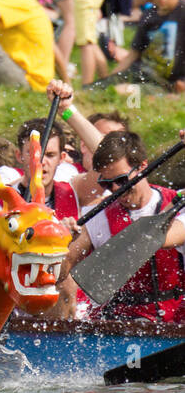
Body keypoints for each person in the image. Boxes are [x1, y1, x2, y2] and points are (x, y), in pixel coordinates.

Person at [59, 131, 185, 322]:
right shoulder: (96, 216)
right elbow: (59, 272)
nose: (116, 189)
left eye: (121, 180)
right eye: (107, 184)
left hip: (174, 322)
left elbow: (161, 238)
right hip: (119, 323)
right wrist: (59, 245)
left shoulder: (178, 205)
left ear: (143, 166)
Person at [97, 0, 185, 92]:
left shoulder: (182, 13)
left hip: (167, 84)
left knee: (122, 91)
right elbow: (134, 53)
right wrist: (112, 77)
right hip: (142, 73)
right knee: (99, 88)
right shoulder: (148, 15)